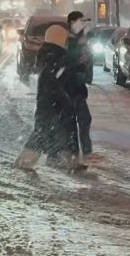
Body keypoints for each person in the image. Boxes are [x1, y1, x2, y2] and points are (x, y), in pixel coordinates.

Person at [15, 24, 84, 173]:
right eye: (65, 40)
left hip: (52, 104)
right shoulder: (56, 58)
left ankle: (68, 161)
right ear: (60, 40)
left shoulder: (53, 56)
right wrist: (65, 99)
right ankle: (25, 161)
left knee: (64, 132)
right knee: (46, 132)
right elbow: (56, 83)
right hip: (54, 104)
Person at [63, 10, 96, 164]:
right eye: (80, 21)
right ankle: (76, 151)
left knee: (82, 119)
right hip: (68, 86)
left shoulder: (81, 38)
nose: (83, 24)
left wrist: (86, 62)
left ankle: (82, 151)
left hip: (77, 86)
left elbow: (87, 59)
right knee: (76, 120)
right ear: (72, 23)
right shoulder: (67, 39)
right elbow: (64, 62)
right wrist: (79, 61)